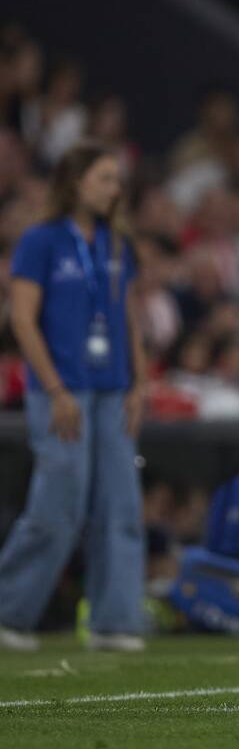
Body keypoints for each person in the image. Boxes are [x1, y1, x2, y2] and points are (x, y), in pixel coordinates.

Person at [0, 141, 147, 652]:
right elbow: (21, 318)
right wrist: (57, 389)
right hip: (61, 391)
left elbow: (128, 316)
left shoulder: (116, 244)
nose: (114, 188)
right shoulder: (41, 240)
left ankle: (115, 620)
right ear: (76, 181)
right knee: (57, 506)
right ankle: (8, 613)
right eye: (104, 178)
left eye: (116, 179)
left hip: (112, 390)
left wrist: (140, 383)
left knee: (121, 506)